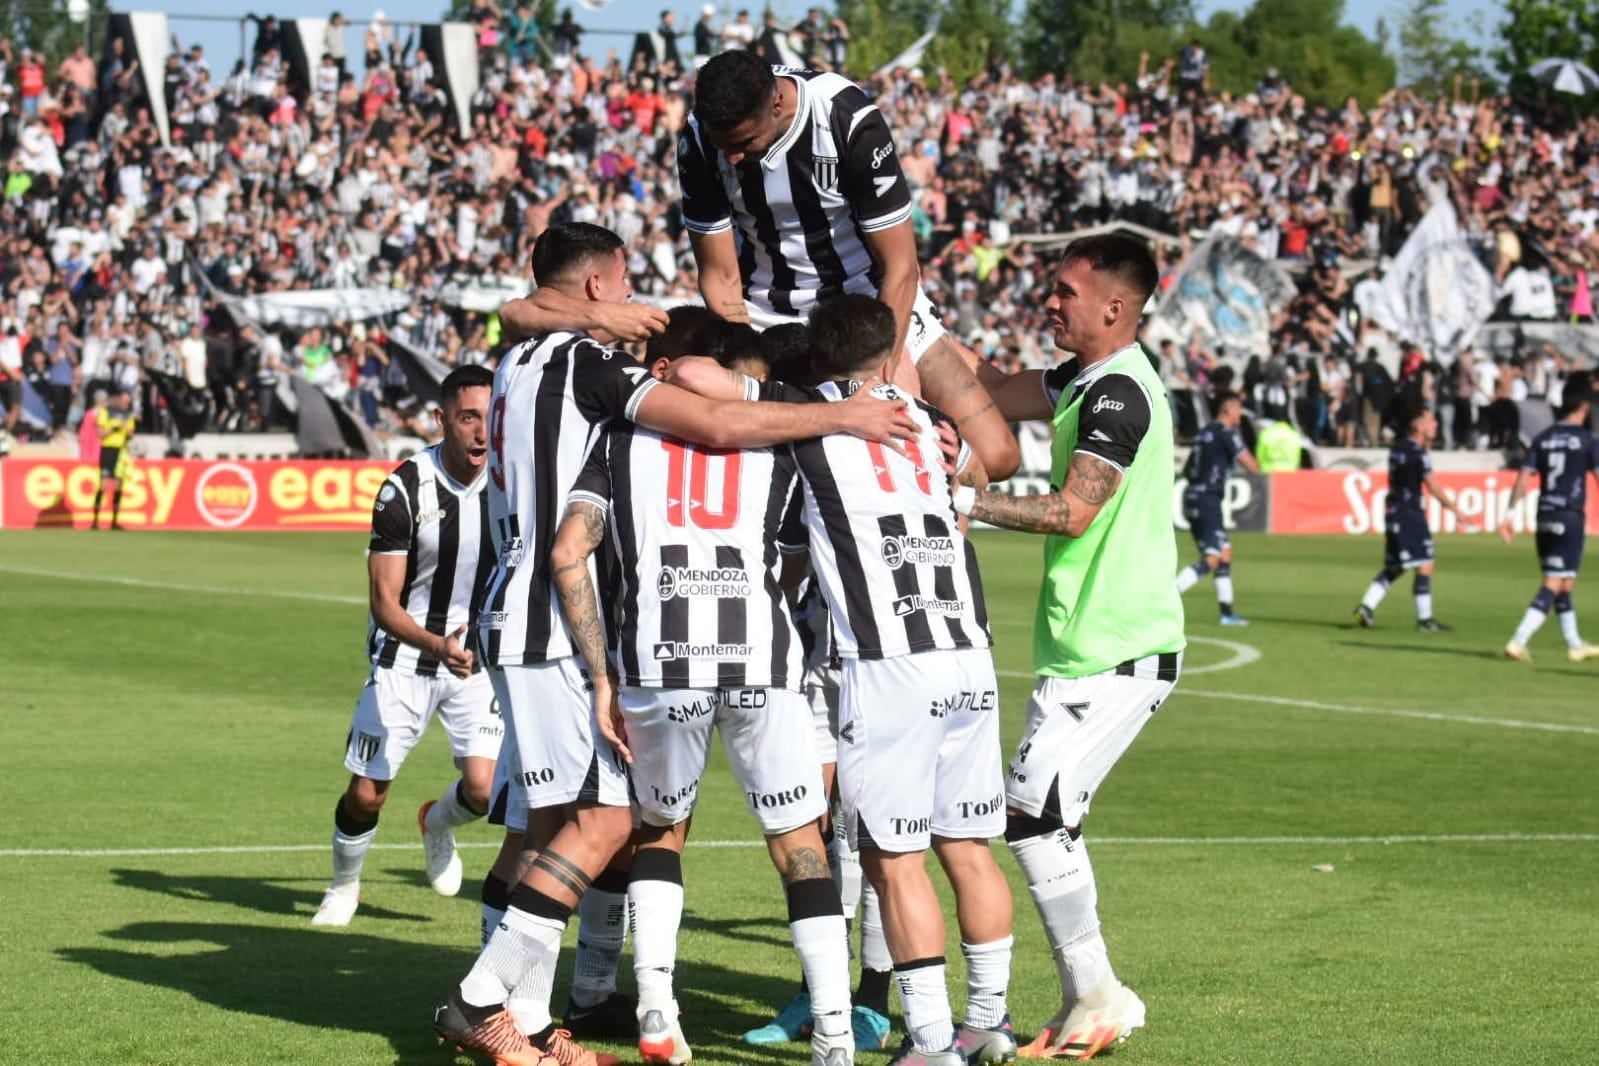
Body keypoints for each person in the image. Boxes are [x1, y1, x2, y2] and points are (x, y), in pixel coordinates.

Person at [431, 223, 918, 1066]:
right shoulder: (584, 365)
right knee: (608, 819)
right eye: (622, 288)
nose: (633, 304)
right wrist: (844, 413)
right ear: (595, 287)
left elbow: (518, 313)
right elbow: (712, 421)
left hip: (525, 613)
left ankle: (534, 1022)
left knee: (558, 827)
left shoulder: (518, 357)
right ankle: (481, 1000)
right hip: (556, 623)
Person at [672, 293, 1015, 1066]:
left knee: (894, 860)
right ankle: (987, 1020)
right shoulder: (929, 421)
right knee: (967, 847)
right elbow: (986, 458)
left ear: (819, 361)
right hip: (969, 650)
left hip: (888, 662)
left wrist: (813, 402)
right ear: (889, 350)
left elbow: (694, 373)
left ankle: (929, 1042)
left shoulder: (810, 415)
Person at [549, 333, 857, 1066]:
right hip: (762, 661)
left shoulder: (619, 438)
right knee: (799, 847)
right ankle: (836, 1036)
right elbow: (798, 560)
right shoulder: (777, 444)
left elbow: (568, 550)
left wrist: (600, 673)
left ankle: (656, 1007)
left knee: (660, 829)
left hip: (658, 661)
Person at [956, 235, 1187, 1059]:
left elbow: (1072, 511)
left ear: (1114, 308)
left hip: (1119, 647)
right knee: (1044, 819)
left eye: (1063, 292)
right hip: (1085, 644)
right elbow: (988, 388)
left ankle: (1096, 993)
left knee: (1033, 816)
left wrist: (965, 502)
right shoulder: (1080, 379)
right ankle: (1089, 994)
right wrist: (919, 335)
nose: (1048, 303)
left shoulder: (1118, 393)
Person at [670, 49, 1019, 481]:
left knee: (992, 456)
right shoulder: (699, 139)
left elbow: (901, 267)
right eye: (726, 148)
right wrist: (743, 352)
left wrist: (882, 376)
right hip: (766, 314)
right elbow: (721, 275)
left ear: (776, 103)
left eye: (744, 144)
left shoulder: (845, 118)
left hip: (868, 304)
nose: (735, 159)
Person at [311, 365, 502, 928]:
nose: (481, 432)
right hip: (406, 655)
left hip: (477, 661)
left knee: (486, 789)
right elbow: (384, 602)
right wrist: (435, 643)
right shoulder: (404, 488)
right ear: (441, 419)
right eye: (468, 418)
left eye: (490, 417)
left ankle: (437, 824)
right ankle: (344, 886)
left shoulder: (514, 480)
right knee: (368, 793)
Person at [1501, 371, 1599, 662]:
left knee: (1564, 581)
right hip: (1569, 516)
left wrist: (1509, 513)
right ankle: (1518, 640)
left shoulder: (1543, 438)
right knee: (1554, 582)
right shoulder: (1587, 440)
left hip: (1544, 515)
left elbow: (1523, 478)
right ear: (1584, 405)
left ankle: (1574, 644)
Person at [1353, 405, 1473, 631]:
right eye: (1430, 420)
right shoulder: (1418, 453)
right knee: (1425, 564)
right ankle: (1425, 620)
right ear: (1418, 425)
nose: (1435, 424)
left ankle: (1366, 607)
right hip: (1409, 515)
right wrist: (1456, 510)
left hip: (1393, 512)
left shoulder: (1397, 448)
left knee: (1395, 566)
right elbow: (1433, 486)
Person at [1176, 392, 1260, 624]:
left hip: (1194, 495)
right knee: (1212, 558)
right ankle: (1168, 598)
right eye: (1238, 410)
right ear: (1228, 410)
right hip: (1208, 499)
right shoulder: (1226, 434)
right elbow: (1251, 466)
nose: (1240, 415)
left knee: (1224, 554)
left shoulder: (1204, 433)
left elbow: (1187, 469)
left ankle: (1227, 613)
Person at [91, 389, 137, 531]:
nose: (125, 404)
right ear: (118, 399)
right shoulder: (107, 412)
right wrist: (116, 427)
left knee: (118, 485)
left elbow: (131, 433)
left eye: (127, 402)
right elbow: (100, 433)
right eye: (124, 401)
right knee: (103, 484)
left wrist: (127, 429)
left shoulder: (128, 415)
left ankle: (114, 521)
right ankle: (95, 521)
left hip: (121, 451)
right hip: (108, 450)